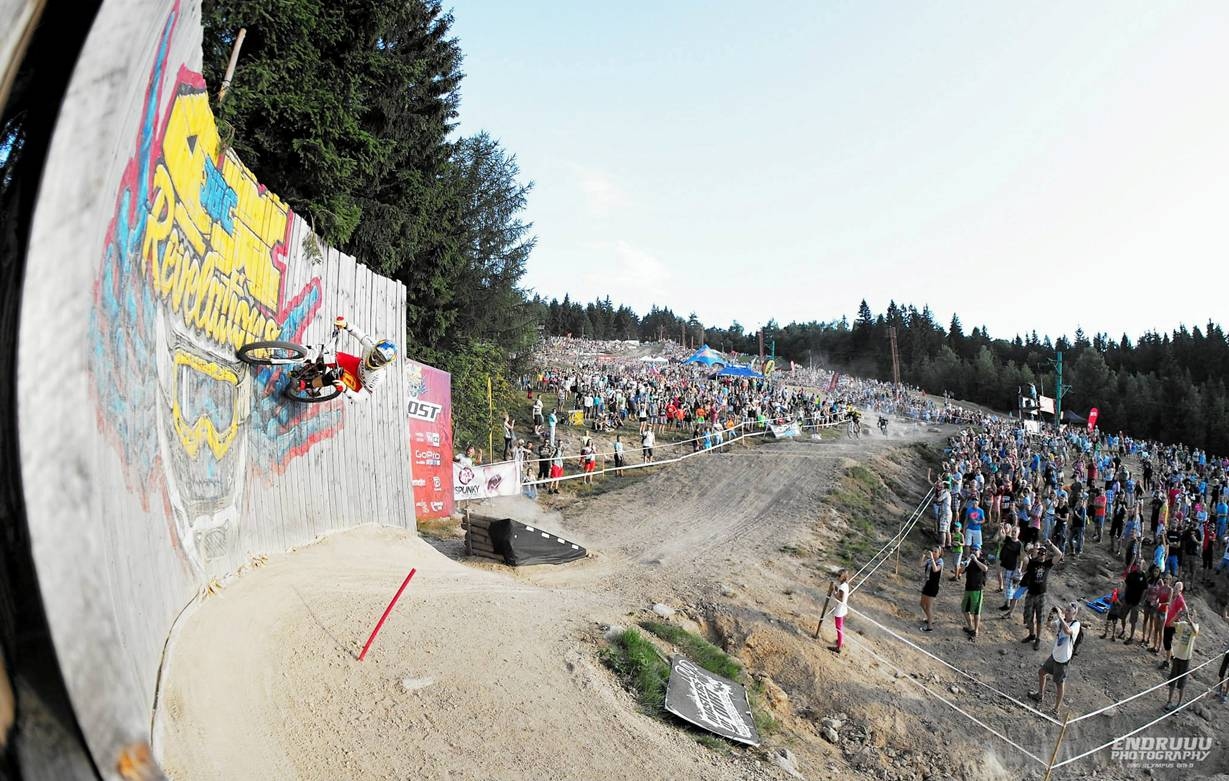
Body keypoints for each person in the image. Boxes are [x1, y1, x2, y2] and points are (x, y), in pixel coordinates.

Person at [326, 315, 397, 400]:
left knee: (333, 375)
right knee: (329, 357)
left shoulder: (379, 376)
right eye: (375, 356)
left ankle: (311, 385)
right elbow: (357, 332)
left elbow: (360, 397)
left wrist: (345, 389)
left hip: (359, 384)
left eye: (380, 361)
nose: (375, 361)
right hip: (356, 365)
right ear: (374, 348)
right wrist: (345, 325)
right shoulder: (371, 344)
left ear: (385, 364)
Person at [1030, 602, 1082, 715]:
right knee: (1041, 672)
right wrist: (1051, 615)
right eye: (1066, 609)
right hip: (1055, 655)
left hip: (1063, 660)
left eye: (1069, 611)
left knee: (1059, 684)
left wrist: (1060, 616)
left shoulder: (1076, 624)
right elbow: (1049, 625)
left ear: (1074, 614)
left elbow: (1068, 631)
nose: (1066, 612)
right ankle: (1040, 695)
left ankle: (1056, 709)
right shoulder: (1061, 621)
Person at [1022, 539, 1064, 650]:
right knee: (1029, 616)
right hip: (1031, 593)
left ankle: (1038, 639)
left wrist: (1051, 544)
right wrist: (1030, 550)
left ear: (1046, 555)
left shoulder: (1047, 564)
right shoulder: (1032, 562)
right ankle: (1031, 635)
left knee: (1040, 618)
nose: (1041, 555)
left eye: (1043, 553)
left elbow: (1059, 554)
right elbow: (1023, 559)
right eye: (1039, 553)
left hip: (1041, 595)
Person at [1166, 608, 1200, 710]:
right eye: (1188, 614)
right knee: (1172, 680)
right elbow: (1170, 624)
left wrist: (1190, 621)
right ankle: (1169, 701)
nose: (1189, 616)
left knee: (1182, 683)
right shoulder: (1182, 624)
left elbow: (1195, 632)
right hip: (1177, 656)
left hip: (1186, 659)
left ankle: (1179, 704)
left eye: (1192, 614)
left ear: (1195, 616)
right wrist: (1176, 616)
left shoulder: (1196, 626)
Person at [958, 546, 988, 641]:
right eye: (972, 550)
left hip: (977, 590)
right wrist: (966, 562)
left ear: (980, 551)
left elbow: (985, 568)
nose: (974, 551)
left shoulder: (982, 560)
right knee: (964, 609)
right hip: (968, 588)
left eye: (976, 550)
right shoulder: (969, 561)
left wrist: (975, 560)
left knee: (976, 612)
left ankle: (976, 630)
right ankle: (970, 627)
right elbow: (960, 571)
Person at [997, 526, 1023, 613]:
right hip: (1005, 566)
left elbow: (1021, 558)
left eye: (1015, 531)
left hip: (1012, 568)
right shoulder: (1008, 539)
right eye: (1013, 531)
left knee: (1009, 586)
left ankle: (1007, 604)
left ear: (1018, 533)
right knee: (1007, 585)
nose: (1013, 533)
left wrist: (1019, 569)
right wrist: (1000, 529)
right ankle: (1008, 602)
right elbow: (1002, 536)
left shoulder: (1019, 544)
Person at [920, 546, 943, 632]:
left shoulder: (940, 561)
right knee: (922, 604)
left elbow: (935, 569)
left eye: (936, 551)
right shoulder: (929, 560)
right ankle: (930, 618)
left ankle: (929, 627)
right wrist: (923, 556)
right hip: (927, 584)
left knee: (928, 606)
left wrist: (932, 559)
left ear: (939, 553)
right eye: (933, 551)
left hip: (934, 586)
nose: (933, 553)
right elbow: (920, 565)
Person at [830, 569, 851, 654]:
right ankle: (840, 641)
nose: (837, 577)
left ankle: (838, 647)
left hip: (840, 609)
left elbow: (840, 599)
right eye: (837, 575)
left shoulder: (842, 587)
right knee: (840, 627)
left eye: (839, 576)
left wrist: (833, 592)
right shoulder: (845, 585)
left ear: (843, 577)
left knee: (839, 628)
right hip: (843, 608)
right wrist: (836, 589)